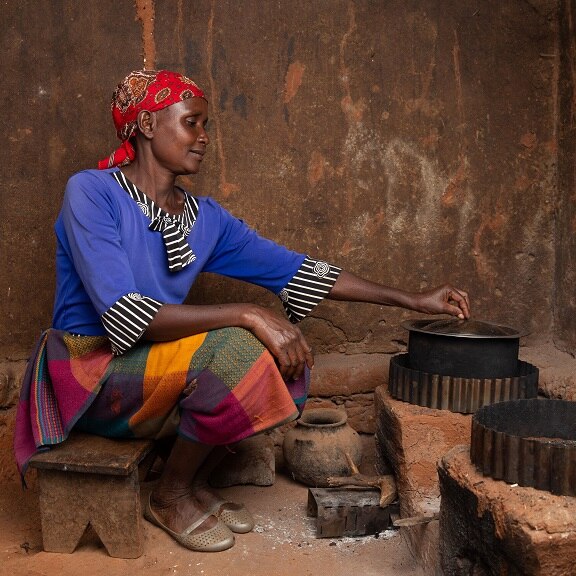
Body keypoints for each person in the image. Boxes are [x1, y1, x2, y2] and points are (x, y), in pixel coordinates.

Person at [14, 69, 470, 553]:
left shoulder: (203, 217)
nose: (203, 137)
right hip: (87, 372)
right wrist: (248, 314)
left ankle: (188, 482)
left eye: (205, 125)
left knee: (287, 358)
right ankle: (169, 496)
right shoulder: (91, 192)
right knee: (236, 348)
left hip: (148, 371)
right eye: (191, 123)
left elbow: (297, 269)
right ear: (147, 124)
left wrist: (411, 298)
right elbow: (127, 316)